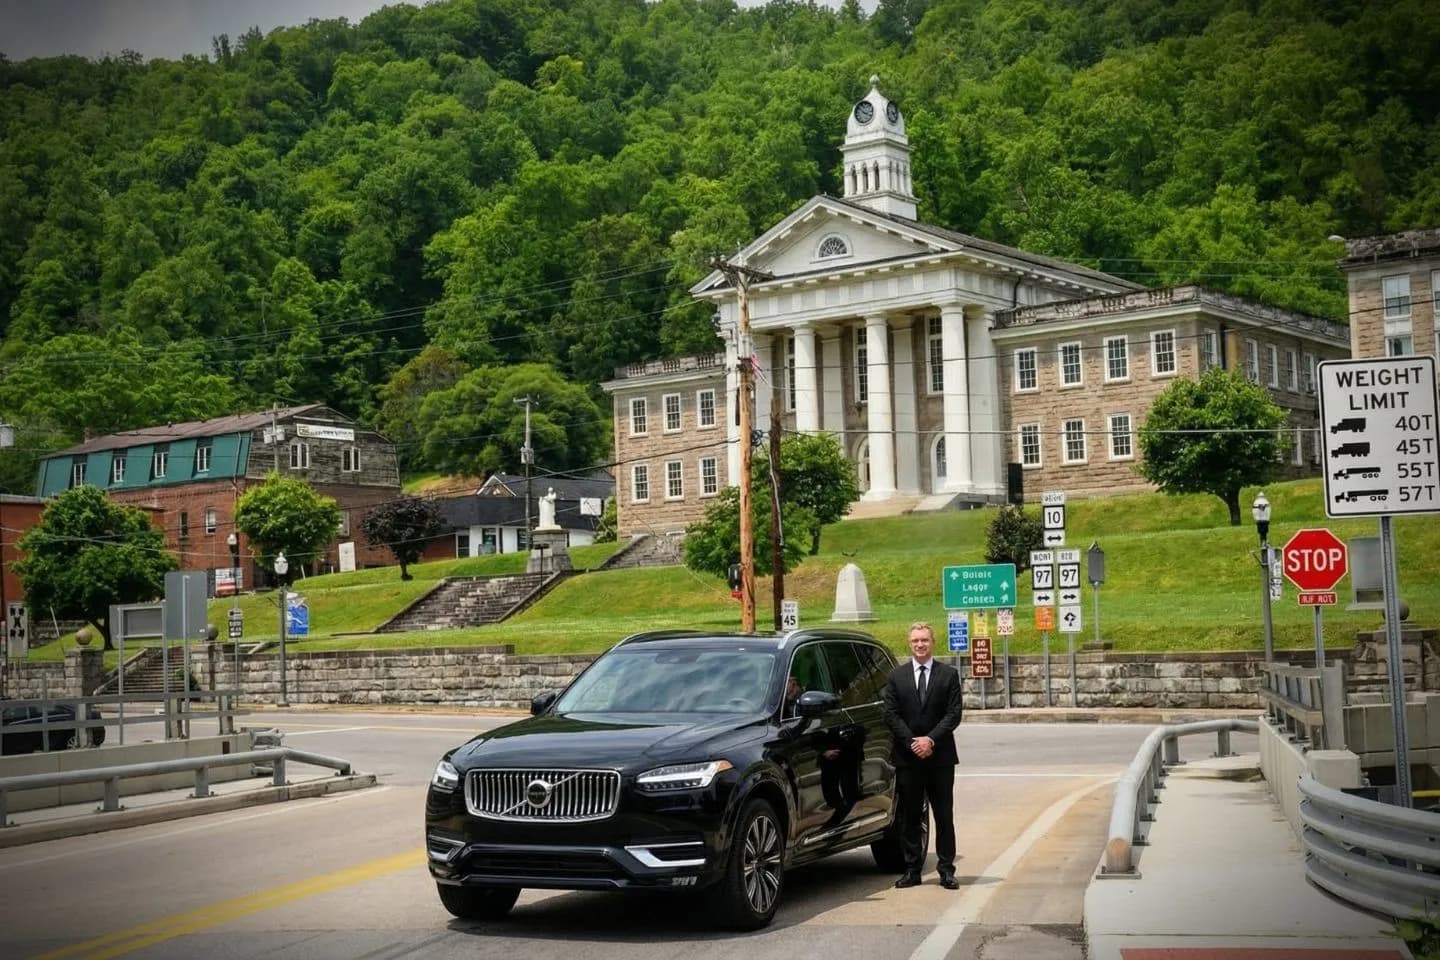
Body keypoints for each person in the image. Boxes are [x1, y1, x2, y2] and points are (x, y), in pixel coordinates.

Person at [882, 621, 963, 889]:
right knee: (910, 815)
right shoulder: (896, 677)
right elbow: (891, 714)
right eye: (916, 640)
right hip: (908, 757)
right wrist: (912, 742)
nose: (920, 644)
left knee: (943, 815)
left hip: (940, 757)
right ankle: (912, 869)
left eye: (925, 640)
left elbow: (953, 714)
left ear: (933, 642)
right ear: (909, 642)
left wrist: (930, 740)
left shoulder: (948, 675)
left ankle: (946, 869)